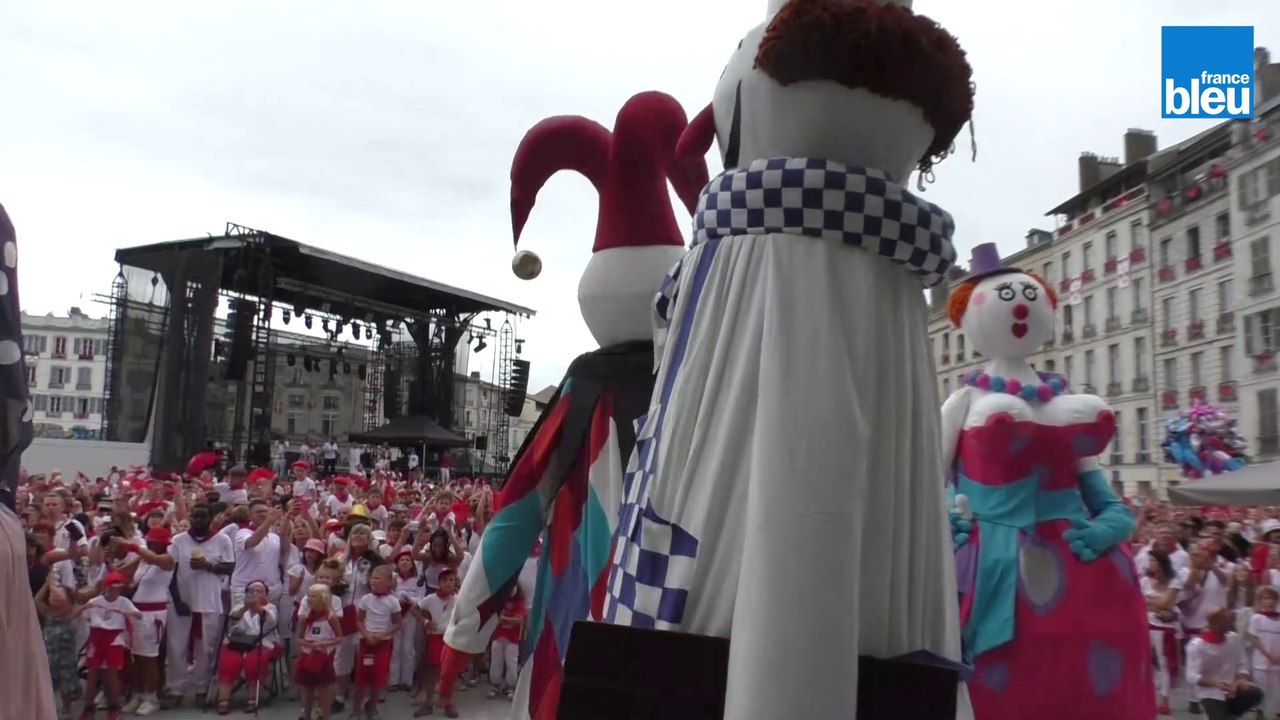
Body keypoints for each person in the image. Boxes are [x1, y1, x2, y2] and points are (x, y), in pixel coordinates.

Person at [944, 246, 1153, 718]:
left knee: (1084, 688)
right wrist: (944, 518)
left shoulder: (1065, 399)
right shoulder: (962, 402)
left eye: (1028, 297)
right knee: (1007, 687)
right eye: (1005, 299)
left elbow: (1098, 491)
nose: (1018, 308)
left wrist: (1114, 522)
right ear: (966, 314)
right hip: (995, 562)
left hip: (1083, 567)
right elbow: (932, 478)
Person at [81, 571, 143, 720]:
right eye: (111, 588)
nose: (114, 591)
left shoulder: (123, 602)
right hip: (97, 637)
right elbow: (83, 616)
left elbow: (138, 614)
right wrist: (85, 605)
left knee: (112, 674)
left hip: (114, 638)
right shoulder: (95, 602)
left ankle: (114, 709)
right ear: (105, 587)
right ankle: (88, 709)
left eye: (117, 588)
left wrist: (132, 614)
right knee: (92, 674)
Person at [214, 581, 280, 714]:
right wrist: (245, 607)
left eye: (259, 591)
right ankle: (224, 698)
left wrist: (257, 608)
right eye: (251, 591)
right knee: (228, 661)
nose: (255, 593)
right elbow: (232, 621)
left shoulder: (270, 607)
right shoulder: (239, 607)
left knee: (254, 661)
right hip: (238, 641)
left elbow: (271, 622)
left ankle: (252, 698)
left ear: (266, 594)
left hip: (262, 641)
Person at [1186, 607, 1263, 719]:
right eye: (1227, 621)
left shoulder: (1233, 639)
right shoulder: (1197, 646)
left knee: (1255, 693)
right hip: (1210, 692)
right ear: (1215, 623)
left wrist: (1241, 679)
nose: (1231, 623)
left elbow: (1242, 663)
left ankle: (1230, 714)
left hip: (1233, 688)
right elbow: (1191, 675)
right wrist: (1215, 683)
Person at [353, 565, 403, 719]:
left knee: (377, 677)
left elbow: (398, 623)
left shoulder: (393, 601)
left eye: (377, 578)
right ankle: (356, 711)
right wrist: (366, 635)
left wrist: (383, 635)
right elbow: (359, 620)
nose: (373, 580)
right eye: (372, 577)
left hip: (383, 643)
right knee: (361, 678)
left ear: (388, 582)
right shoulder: (366, 599)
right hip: (366, 642)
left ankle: (371, 708)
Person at [296, 583, 344, 720]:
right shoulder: (305, 617)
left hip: (325, 657)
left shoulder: (331, 617)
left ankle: (326, 715)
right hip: (307, 656)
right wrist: (310, 645)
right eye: (308, 596)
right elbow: (298, 639)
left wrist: (325, 643)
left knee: (324, 691)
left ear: (322, 598)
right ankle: (306, 714)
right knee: (307, 690)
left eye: (313, 596)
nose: (309, 599)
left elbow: (340, 637)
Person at [416, 567, 459, 718]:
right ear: (439, 583)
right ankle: (428, 702)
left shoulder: (458, 599)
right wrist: (426, 621)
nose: (448, 583)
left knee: (450, 672)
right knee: (432, 671)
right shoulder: (431, 598)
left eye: (451, 580)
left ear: (455, 582)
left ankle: (448, 702)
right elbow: (415, 608)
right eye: (445, 580)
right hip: (435, 638)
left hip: (451, 638)